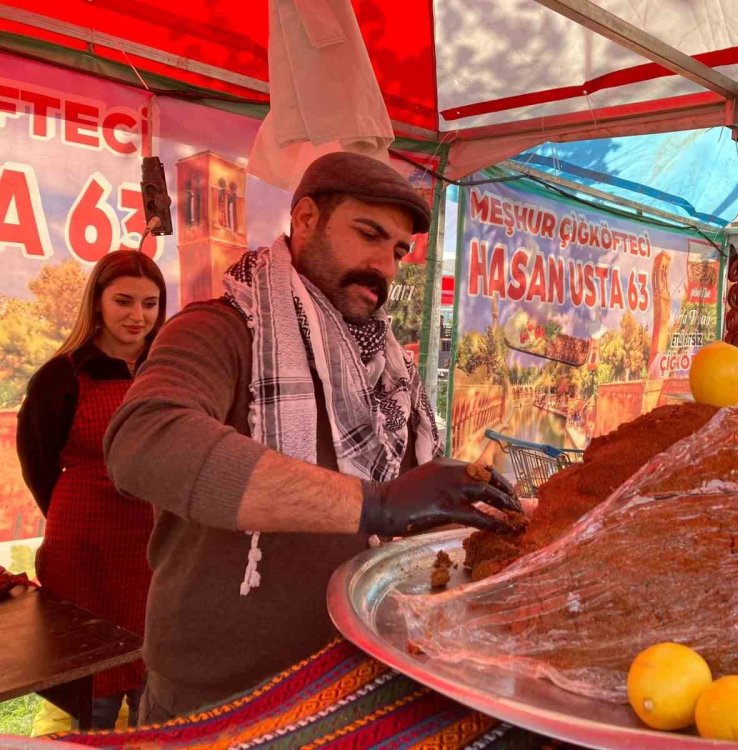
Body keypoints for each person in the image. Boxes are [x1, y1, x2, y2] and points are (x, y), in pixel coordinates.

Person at [103, 153, 520, 723]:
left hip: (354, 682)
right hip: (216, 700)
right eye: (369, 234)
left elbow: (412, 514)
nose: (385, 266)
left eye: (398, 251)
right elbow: (145, 440)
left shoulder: (390, 370)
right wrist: (375, 504)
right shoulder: (220, 329)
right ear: (304, 219)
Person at [16, 250, 167, 729]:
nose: (137, 316)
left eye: (150, 303)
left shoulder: (168, 370)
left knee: (153, 682)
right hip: (83, 550)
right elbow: (36, 462)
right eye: (123, 301)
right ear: (97, 302)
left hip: (151, 551)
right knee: (95, 695)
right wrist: (72, 509)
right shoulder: (60, 377)